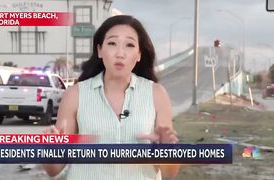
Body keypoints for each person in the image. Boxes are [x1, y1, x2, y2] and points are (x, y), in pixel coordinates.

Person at [43, 15, 180, 180]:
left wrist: (167, 150)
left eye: (129, 45)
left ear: (139, 54)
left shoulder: (157, 94)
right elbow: (54, 169)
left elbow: (168, 175)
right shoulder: (75, 94)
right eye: (112, 43)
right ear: (100, 50)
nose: (120, 53)